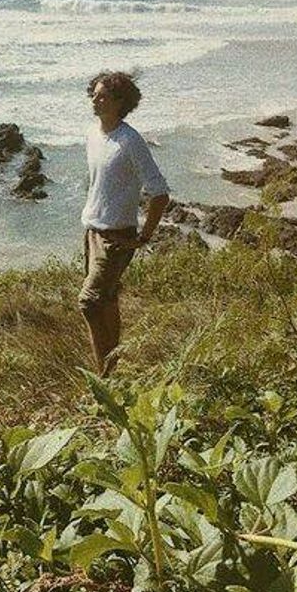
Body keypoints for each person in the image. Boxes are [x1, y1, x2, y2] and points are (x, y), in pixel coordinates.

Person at [79, 71, 169, 375]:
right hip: (92, 231)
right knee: (106, 300)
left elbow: (159, 192)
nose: (95, 99)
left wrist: (144, 236)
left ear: (120, 102)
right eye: (94, 93)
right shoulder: (93, 134)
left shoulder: (130, 140)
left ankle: (103, 376)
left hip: (117, 236)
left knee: (89, 302)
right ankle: (112, 368)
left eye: (103, 95)